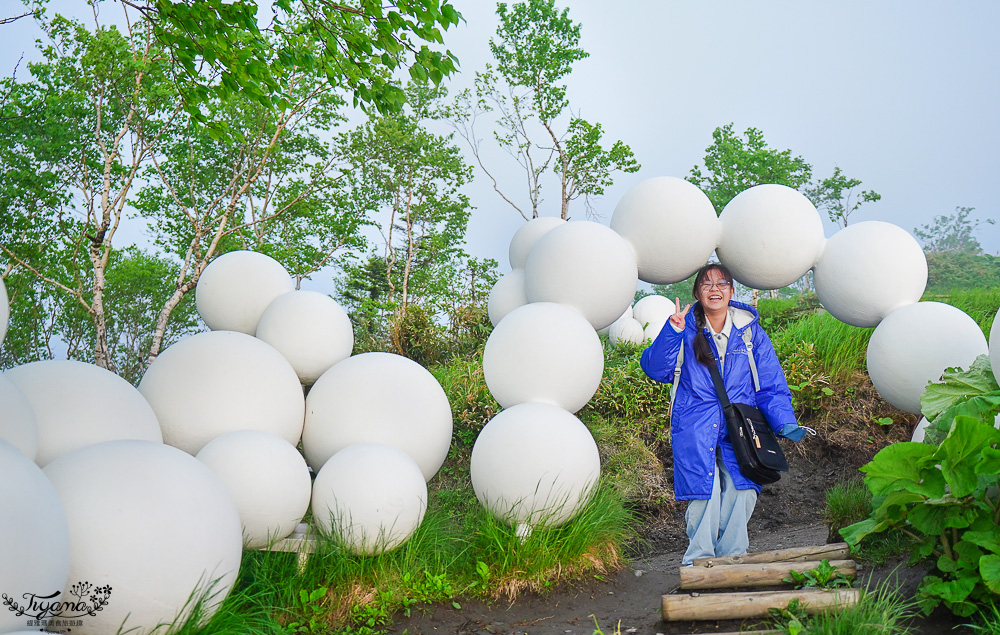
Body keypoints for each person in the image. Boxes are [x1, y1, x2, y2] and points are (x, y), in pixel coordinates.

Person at [640, 263, 810, 565]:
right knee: (703, 490)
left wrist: (785, 422)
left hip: (741, 425)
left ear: (732, 291)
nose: (714, 289)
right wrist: (672, 331)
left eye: (721, 284)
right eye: (706, 284)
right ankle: (699, 561)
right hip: (695, 423)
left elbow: (770, 382)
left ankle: (732, 559)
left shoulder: (750, 332)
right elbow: (655, 368)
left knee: (743, 488)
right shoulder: (684, 328)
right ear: (696, 293)